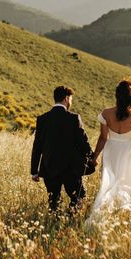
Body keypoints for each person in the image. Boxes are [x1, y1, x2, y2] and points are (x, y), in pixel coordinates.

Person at [87, 79, 131, 223]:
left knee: (108, 183)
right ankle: (121, 214)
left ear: (117, 95)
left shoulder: (106, 113)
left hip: (110, 151)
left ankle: (103, 215)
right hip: (127, 152)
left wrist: (95, 156)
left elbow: (103, 138)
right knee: (125, 183)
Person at [30, 86, 94, 214]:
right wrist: (91, 157)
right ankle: (70, 220)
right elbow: (83, 142)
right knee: (79, 197)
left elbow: (37, 146)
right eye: (71, 99)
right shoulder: (74, 118)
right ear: (66, 99)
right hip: (70, 168)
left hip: (49, 167)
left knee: (53, 201)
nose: (71, 102)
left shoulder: (42, 119)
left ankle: (55, 222)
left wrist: (34, 171)